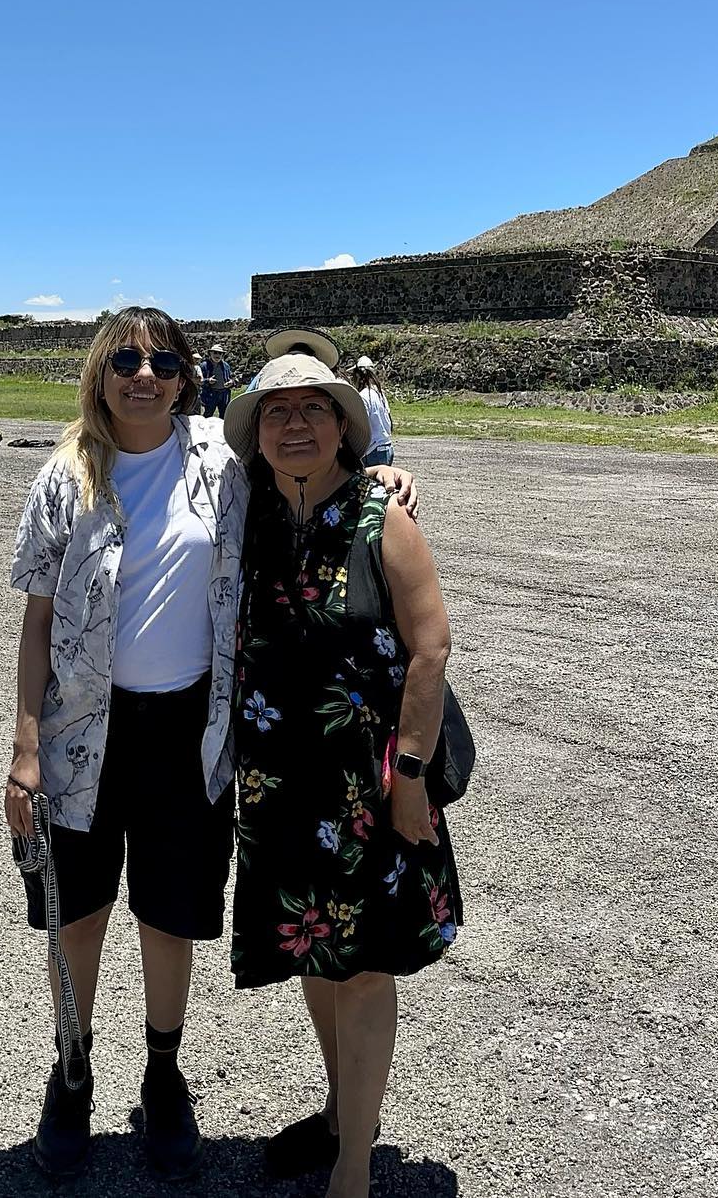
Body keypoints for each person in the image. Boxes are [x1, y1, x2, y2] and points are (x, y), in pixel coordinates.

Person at [4, 308, 418, 1183]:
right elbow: (37, 624)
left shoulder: (223, 464)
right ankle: (72, 1072)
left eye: (161, 360)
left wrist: (386, 473)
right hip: (84, 732)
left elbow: (318, 470)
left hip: (190, 730)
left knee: (171, 915)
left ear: (188, 376)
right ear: (99, 372)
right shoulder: (62, 479)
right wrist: (25, 746)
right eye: (124, 359)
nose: (142, 374)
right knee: (78, 916)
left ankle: (163, 1074)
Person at [222, 355, 461, 1198]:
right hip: (278, 784)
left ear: (343, 425)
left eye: (313, 410)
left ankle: (353, 1169)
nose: (295, 425)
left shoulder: (377, 514)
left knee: (363, 970)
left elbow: (429, 647)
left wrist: (409, 777)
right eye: (276, 411)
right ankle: (336, 1114)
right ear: (254, 432)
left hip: (370, 786)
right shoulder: (245, 512)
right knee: (316, 953)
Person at [352, 356, 394, 468]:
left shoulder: (363, 396)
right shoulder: (380, 393)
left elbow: (361, 425)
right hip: (386, 446)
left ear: (358, 375)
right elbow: (390, 420)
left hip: (373, 451)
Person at [200, 343, 234, 419]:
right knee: (208, 415)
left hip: (224, 394)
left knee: (224, 415)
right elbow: (199, 380)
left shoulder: (226, 366)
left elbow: (231, 378)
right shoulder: (204, 365)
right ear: (210, 353)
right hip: (211, 394)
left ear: (222, 355)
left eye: (220, 353)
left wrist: (231, 382)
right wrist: (208, 380)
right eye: (215, 352)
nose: (217, 355)